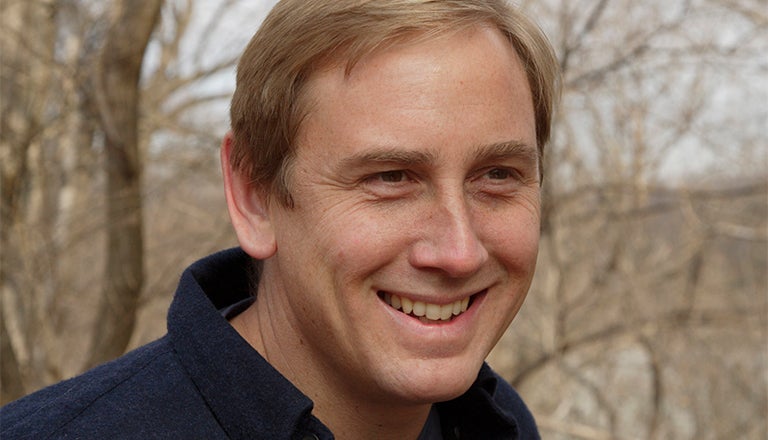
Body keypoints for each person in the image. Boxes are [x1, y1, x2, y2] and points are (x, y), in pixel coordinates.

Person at [1, 0, 559, 438]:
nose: (459, 251)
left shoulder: (493, 421)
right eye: (391, 178)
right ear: (254, 194)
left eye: (498, 176)